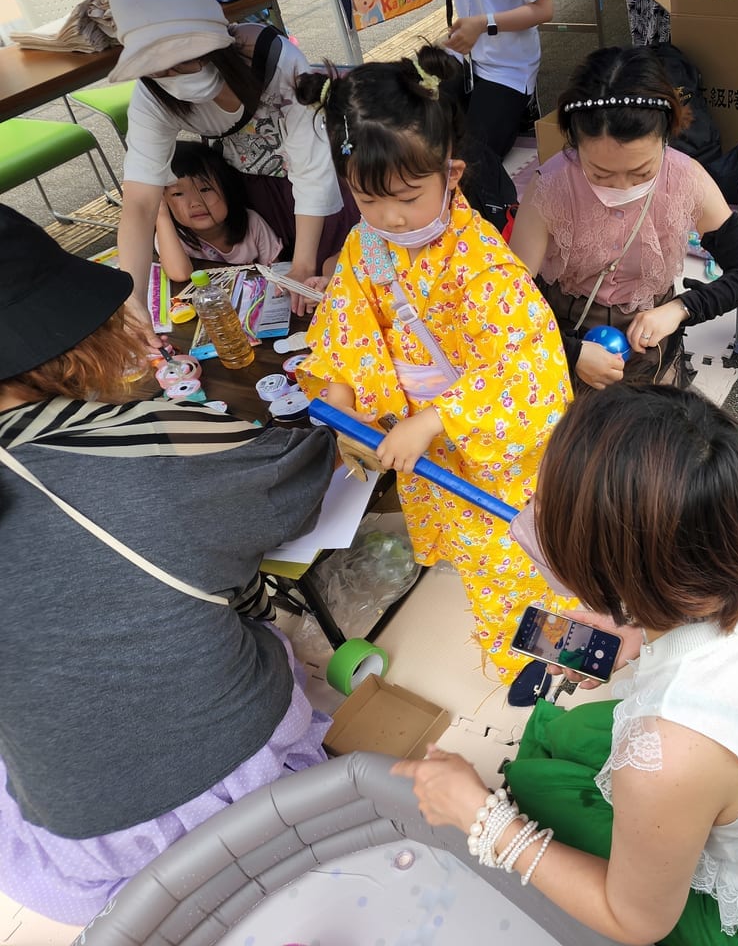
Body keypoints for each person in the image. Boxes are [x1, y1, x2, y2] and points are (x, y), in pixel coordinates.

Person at [393, 384, 738, 946]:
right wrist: (635, 626)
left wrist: (483, 820)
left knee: (537, 787)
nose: (535, 515)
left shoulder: (667, 752)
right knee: (573, 733)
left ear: (612, 572)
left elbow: (636, 920)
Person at [0, 205, 335, 923]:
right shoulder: (137, 440)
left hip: (80, 838)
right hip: (239, 775)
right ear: (66, 340)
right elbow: (296, 475)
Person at [294, 47, 573, 684]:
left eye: (407, 197)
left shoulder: (480, 260)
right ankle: (524, 644)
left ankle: (543, 648)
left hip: (491, 443)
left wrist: (439, 419)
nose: (389, 218)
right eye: (367, 199)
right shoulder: (365, 246)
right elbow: (347, 329)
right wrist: (339, 392)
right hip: (422, 440)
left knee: (527, 548)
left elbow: (528, 368)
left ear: (451, 174)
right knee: (480, 556)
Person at [508, 46, 738, 390]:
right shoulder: (551, 186)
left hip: (651, 340)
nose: (621, 186)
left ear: (665, 137)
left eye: (642, 172)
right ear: (574, 144)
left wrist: (679, 309)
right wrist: (570, 352)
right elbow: (509, 299)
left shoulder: (686, 178)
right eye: (599, 173)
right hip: (565, 333)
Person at [108, 0, 360, 318]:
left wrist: (301, 265)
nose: (171, 75)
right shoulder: (151, 97)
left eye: (184, 59)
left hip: (319, 188)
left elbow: (312, 172)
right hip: (256, 189)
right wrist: (134, 301)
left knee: (335, 269)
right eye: (156, 66)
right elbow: (139, 203)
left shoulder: (273, 58)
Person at [442, 0, 554, 159]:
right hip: (468, 60)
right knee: (418, 136)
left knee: (473, 163)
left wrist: (483, 24)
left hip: (509, 69)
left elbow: (544, 9)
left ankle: (523, 106)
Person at [155, 141, 284, 282]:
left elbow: (277, 274)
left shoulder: (252, 223)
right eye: (177, 194)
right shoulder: (171, 236)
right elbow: (180, 274)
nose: (195, 203)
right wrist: (160, 212)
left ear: (227, 189)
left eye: (205, 189)